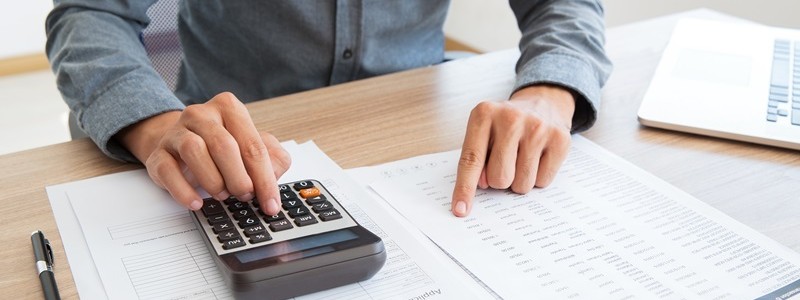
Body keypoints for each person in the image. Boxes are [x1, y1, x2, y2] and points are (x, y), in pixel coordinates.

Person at [46, 1, 612, 218]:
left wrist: (552, 89)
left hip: (417, 138)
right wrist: (154, 124)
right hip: (227, 144)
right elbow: (89, 13)